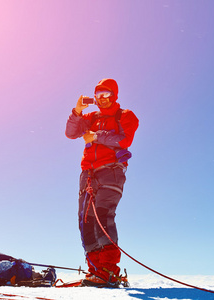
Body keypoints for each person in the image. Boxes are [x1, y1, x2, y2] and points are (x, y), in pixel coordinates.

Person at [65, 78, 139, 286]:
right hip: (88, 173)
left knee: (103, 216)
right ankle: (96, 270)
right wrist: (77, 112)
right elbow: (71, 133)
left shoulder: (125, 116)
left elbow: (124, 140)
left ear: (114, 96)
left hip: (111, 171)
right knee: (85, 221)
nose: (102, 99)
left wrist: (95, 136)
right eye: (98, 96)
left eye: (106, 95)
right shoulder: (91, 117)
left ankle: (108, 269)